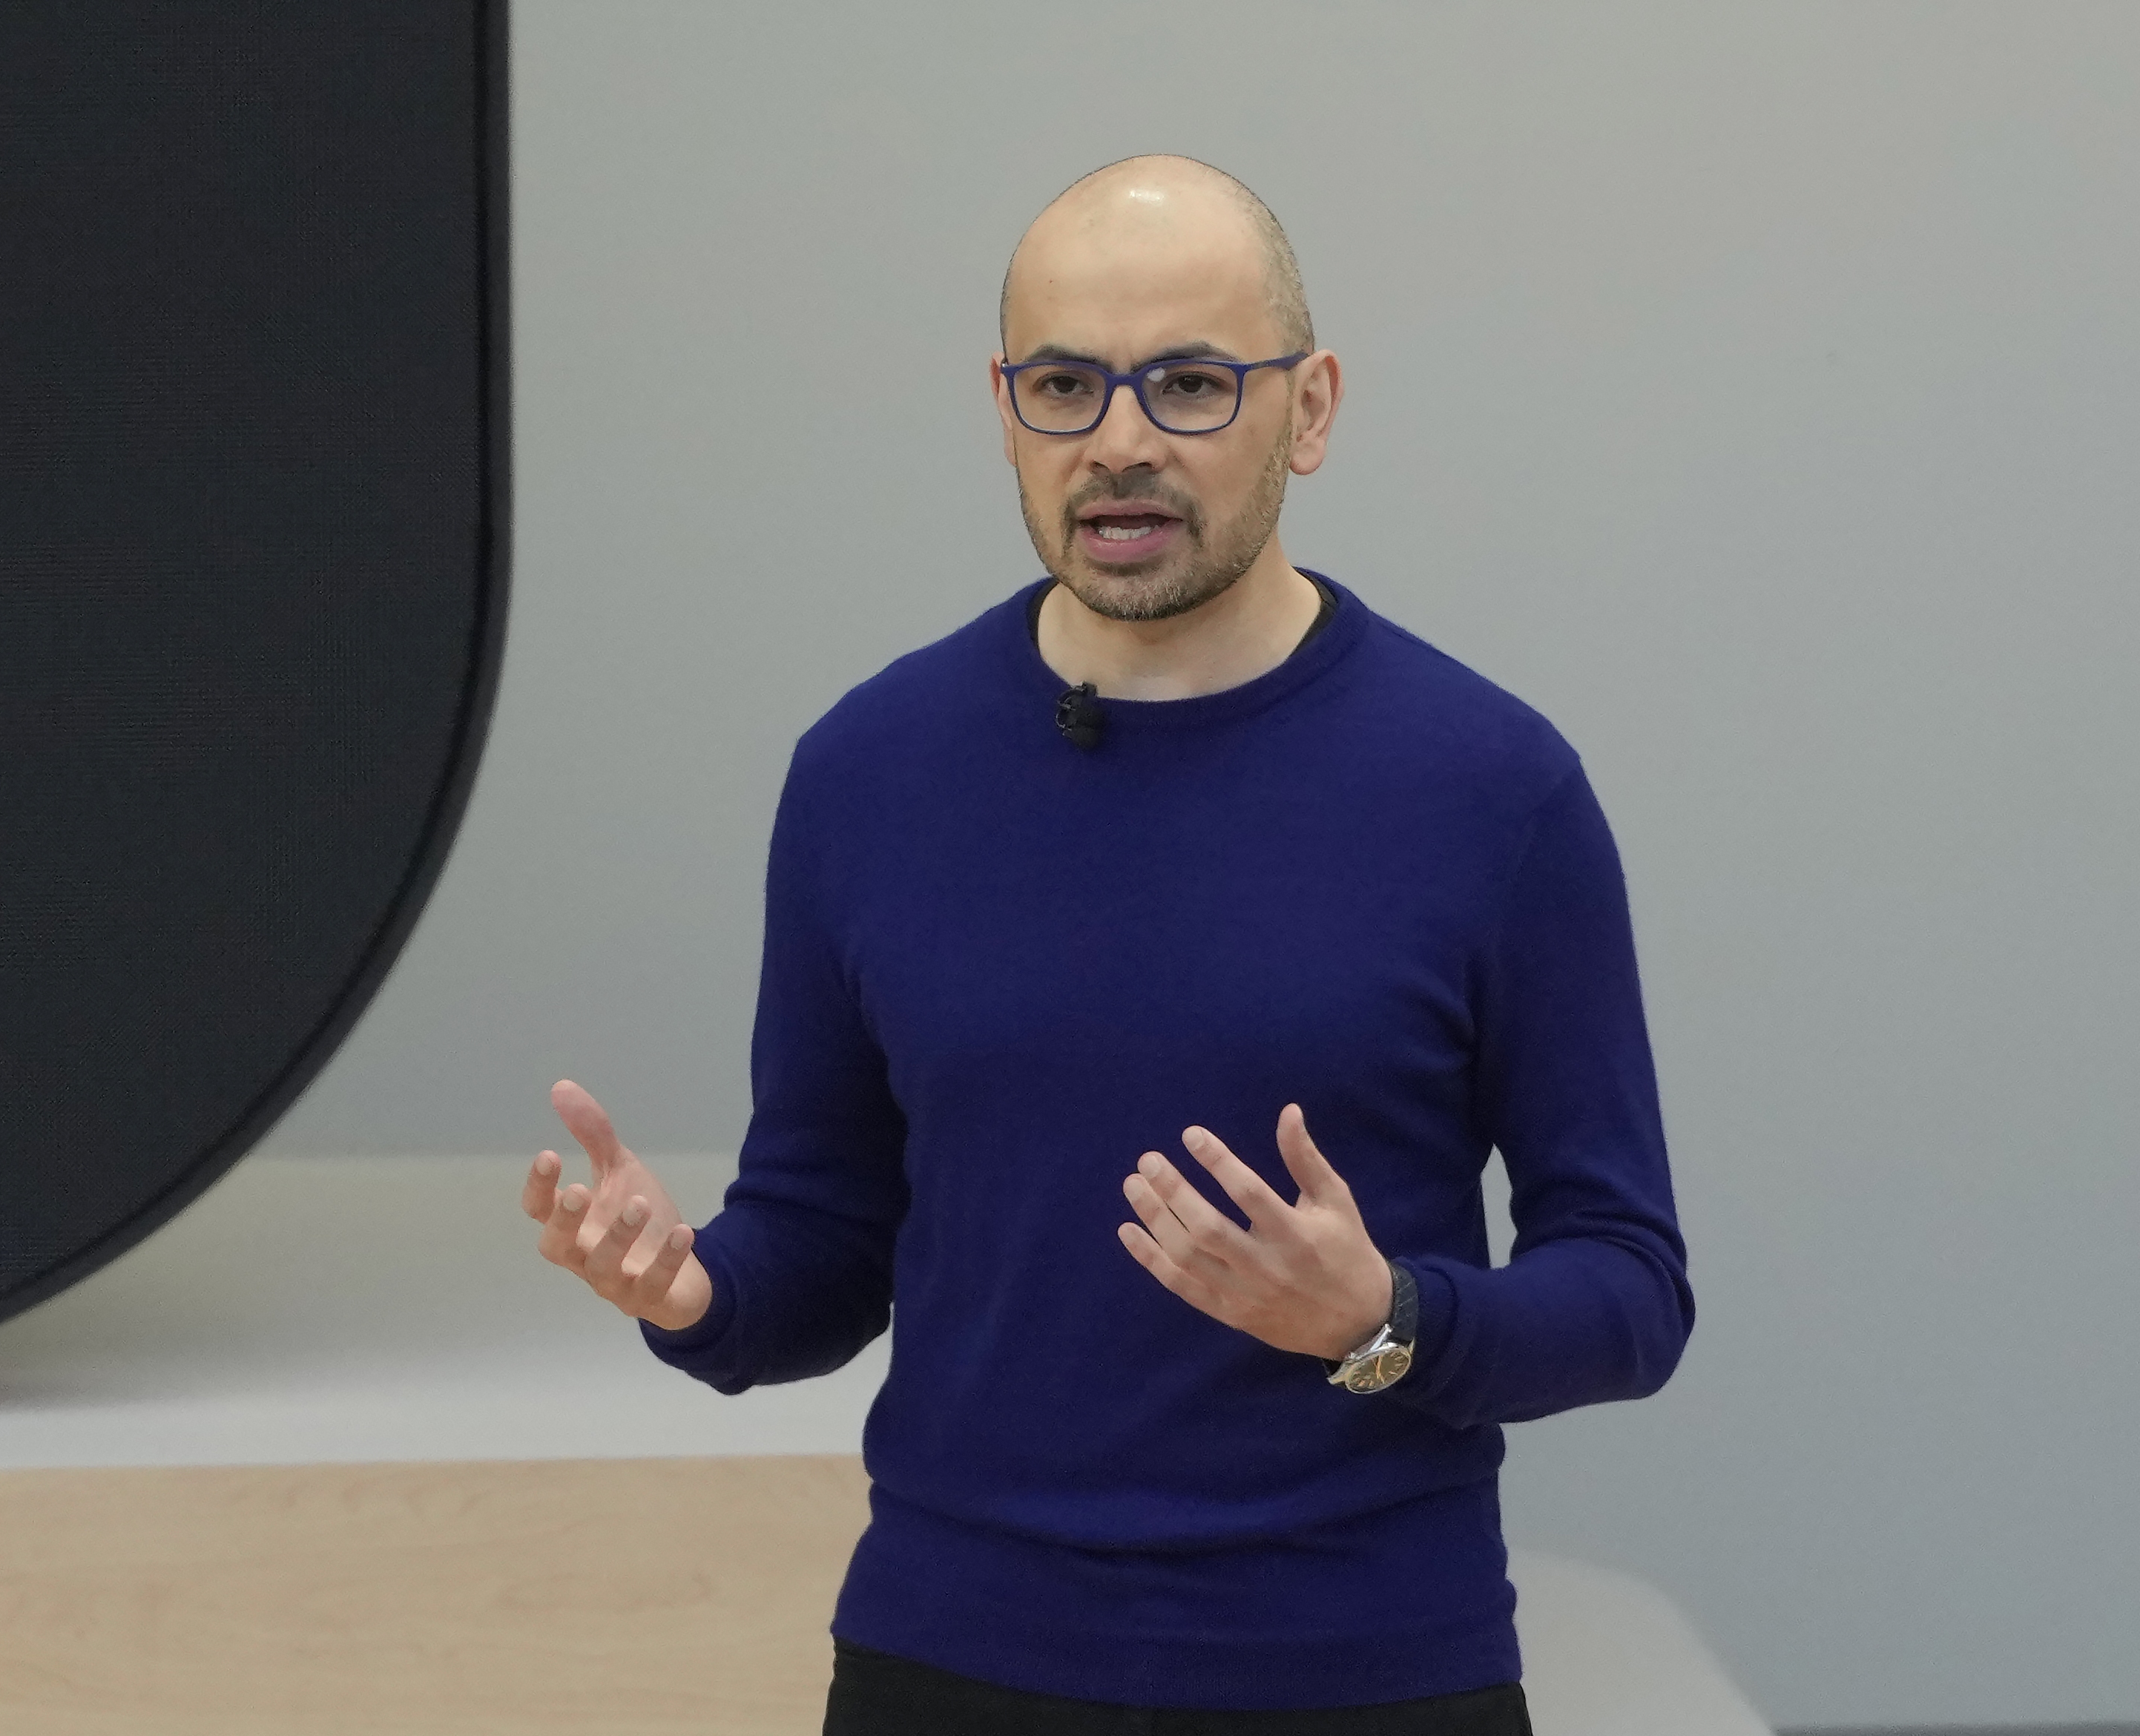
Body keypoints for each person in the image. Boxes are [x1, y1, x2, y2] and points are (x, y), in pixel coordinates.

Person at [520, 154, 1693, 1735]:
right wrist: (691, 1293)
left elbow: (1628, 1288)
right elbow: (823, 1239)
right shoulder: (870, 772)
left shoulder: (1492, 789)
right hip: (952, 1662)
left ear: (1311, 410)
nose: (1119, 442)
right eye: (1066, 386)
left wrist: (1385, 1322)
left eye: (1191, 384)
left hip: (1361, 1667)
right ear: (1004, 411)